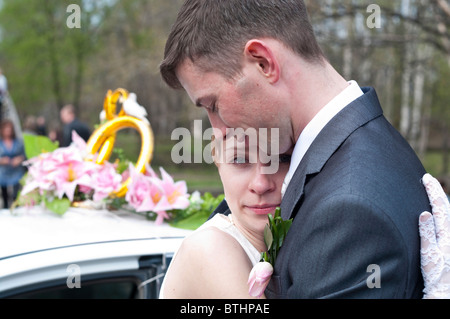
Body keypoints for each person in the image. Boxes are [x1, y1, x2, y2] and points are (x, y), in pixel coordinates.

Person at [160, 0, 431, 298]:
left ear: (263, 62)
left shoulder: (349, 209)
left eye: (213, 105)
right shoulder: (379, 147)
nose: (220, 130)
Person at [160, 136, 291, 298]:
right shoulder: (209, 247)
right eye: (239, 159)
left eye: (281, 159)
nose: (261, 185)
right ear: (218, 163)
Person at [0, 119, 26, 208]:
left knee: (16, 195)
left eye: (10, 129)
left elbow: (24, 155)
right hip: (3, 172)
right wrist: (2, 160)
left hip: (16, 172)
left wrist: (19, 159)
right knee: (5, 197)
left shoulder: (18, 142)